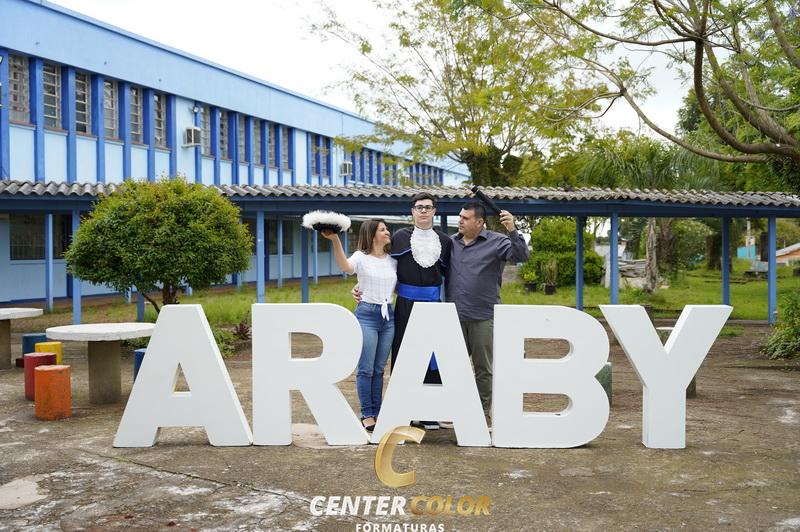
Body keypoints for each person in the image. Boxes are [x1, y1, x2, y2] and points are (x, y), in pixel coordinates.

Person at [353, 192, 452, 430]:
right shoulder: (399, 237)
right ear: (412, 211)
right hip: (405, 304)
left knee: (432, 357)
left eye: (428, 207)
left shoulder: (446, 241)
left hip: (434, 305)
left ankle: (428, 412)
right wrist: (360, 286)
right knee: (404, 354)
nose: (424, 211)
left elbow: (451, 276)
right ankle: (404, 408)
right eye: (419, 207)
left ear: (434, 211)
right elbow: (379, 264)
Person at [447, 202, 529, 426]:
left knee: (483, 369)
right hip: (454, 315)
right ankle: (456, 411)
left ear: (480, 222)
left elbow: (521, 256)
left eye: (465, 218)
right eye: (460, 216)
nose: (460, 221)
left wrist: (512, 230)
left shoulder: (498, 242)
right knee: (453, 367)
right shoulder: (451, 243)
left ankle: (483, 413)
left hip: (483, 316)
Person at [322, 219, 396, 432]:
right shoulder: (360, 257)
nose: (387, 232)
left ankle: (378, 411)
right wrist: (335, 240)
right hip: (367, 316)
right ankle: (367, 413)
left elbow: (392, 284)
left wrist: (358, 286)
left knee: (379, 369)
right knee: (366, 368)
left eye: (386, 229)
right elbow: (346, 267)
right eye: (383, 229)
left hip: (388, 317)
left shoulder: (393, 260)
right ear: (372, 235)